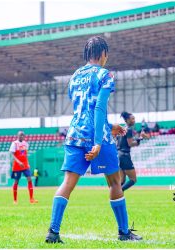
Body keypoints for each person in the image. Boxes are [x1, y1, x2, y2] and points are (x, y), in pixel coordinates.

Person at [45, 36, 142, 244]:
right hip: (98, 138)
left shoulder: (75, 76)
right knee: (115, 181)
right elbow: (98, 108)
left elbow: (83, 111)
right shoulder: (105, 75)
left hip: (75, 134)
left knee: (68, 183)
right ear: (103, 53)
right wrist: (99, 140)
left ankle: (53, 232)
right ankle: (124, 232)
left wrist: (109, 126)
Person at [118, 111, 149, 192]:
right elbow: (131, 144)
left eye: (134, 119)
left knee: (122, 180)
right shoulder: (129, 130)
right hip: (124, 155)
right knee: (133, 179)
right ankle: (118, 192)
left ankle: (115, 195)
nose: (134, 120)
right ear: (127, 120)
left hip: (118, 155)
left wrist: (138, 139)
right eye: (132, 119)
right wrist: (140, 139)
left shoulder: (122, 129)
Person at [9, 131, 38, 204]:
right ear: (17, 136)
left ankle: (31, 199)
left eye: (22, 135)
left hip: (25, 165)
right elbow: (12, 154)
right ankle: (15, 200)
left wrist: (26, 162)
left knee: (29, 179)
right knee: (16, 181)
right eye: (20, 135)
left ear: (24, 136)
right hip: (17, 166)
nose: (21, 136)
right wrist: (18, 162)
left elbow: (25, 154)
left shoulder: (26, 144)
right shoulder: (14, 143)